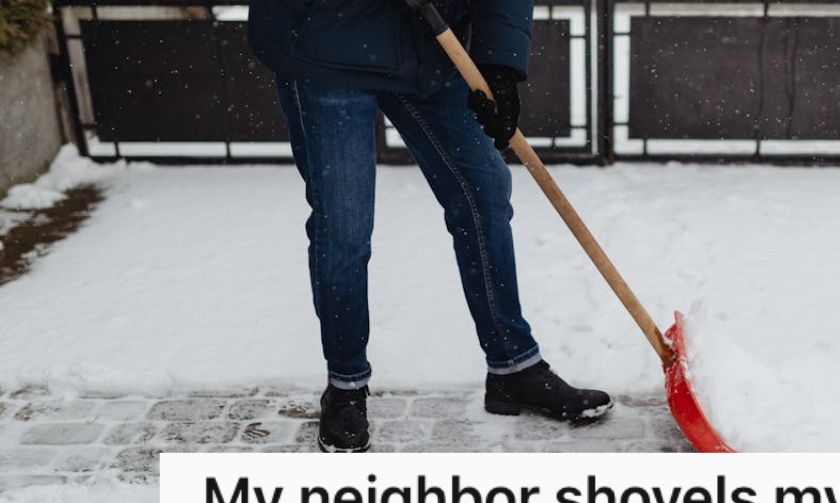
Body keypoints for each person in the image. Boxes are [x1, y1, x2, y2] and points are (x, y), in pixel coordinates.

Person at [247, 0, 611, 452]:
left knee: (483, 192)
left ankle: (513, 367)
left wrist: (500, 64)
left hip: (428, 44)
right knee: (344, 226)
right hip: (327, 45)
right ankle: (345, 385)